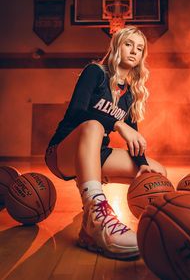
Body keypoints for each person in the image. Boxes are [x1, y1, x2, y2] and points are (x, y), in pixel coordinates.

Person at [45, 25, 167, 260]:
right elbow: (77, 113)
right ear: (116, 47)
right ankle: (97, 216)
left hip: (96, 155)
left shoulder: (130, 94)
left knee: (156, 175)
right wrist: (117, 125)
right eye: (128, 44)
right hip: (62, 152)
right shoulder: (96, 72)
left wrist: (141, 163)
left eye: (140, 48)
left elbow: (134, 136)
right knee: (94, 125)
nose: (134, 51)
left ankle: (91, 232)